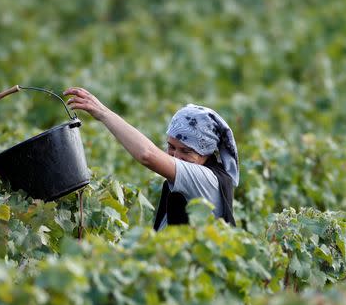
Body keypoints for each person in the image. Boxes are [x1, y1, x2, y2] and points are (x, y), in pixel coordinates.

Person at [64, 87, 238, 230]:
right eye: (171, 147)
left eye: (186, 151)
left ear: (206, 152)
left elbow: (147, 155)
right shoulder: (196, 176)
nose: (176, 156)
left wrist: (103, 113)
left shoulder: (206, 179)